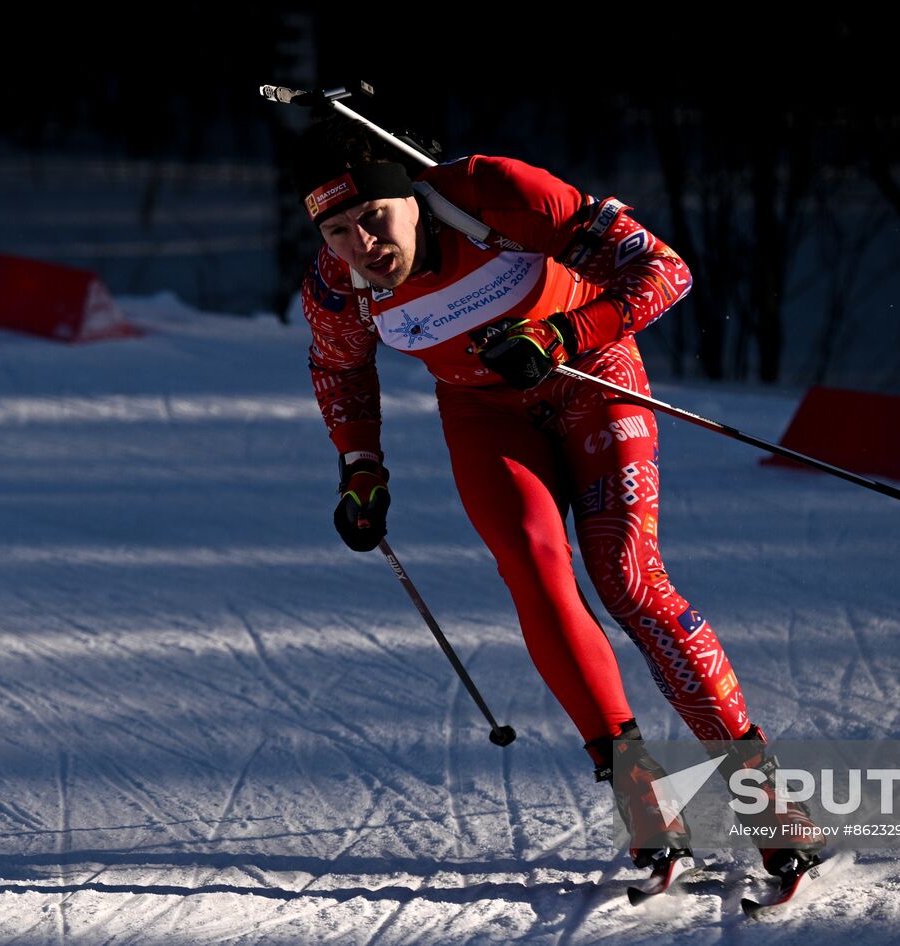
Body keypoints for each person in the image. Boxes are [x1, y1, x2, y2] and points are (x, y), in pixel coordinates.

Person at [290, 114, 822, 877]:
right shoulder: (338, 285)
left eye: (371, 217)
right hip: (481, 410)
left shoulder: (493, 197)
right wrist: (360, 465)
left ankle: (762, 791)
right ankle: (638, 790)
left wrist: (564, 334)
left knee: (626, 576)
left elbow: (666, 269)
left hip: (588, 375)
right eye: (336, 231)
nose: (361, 247)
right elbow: (339, 370)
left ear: (409, 194)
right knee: (536, 572)